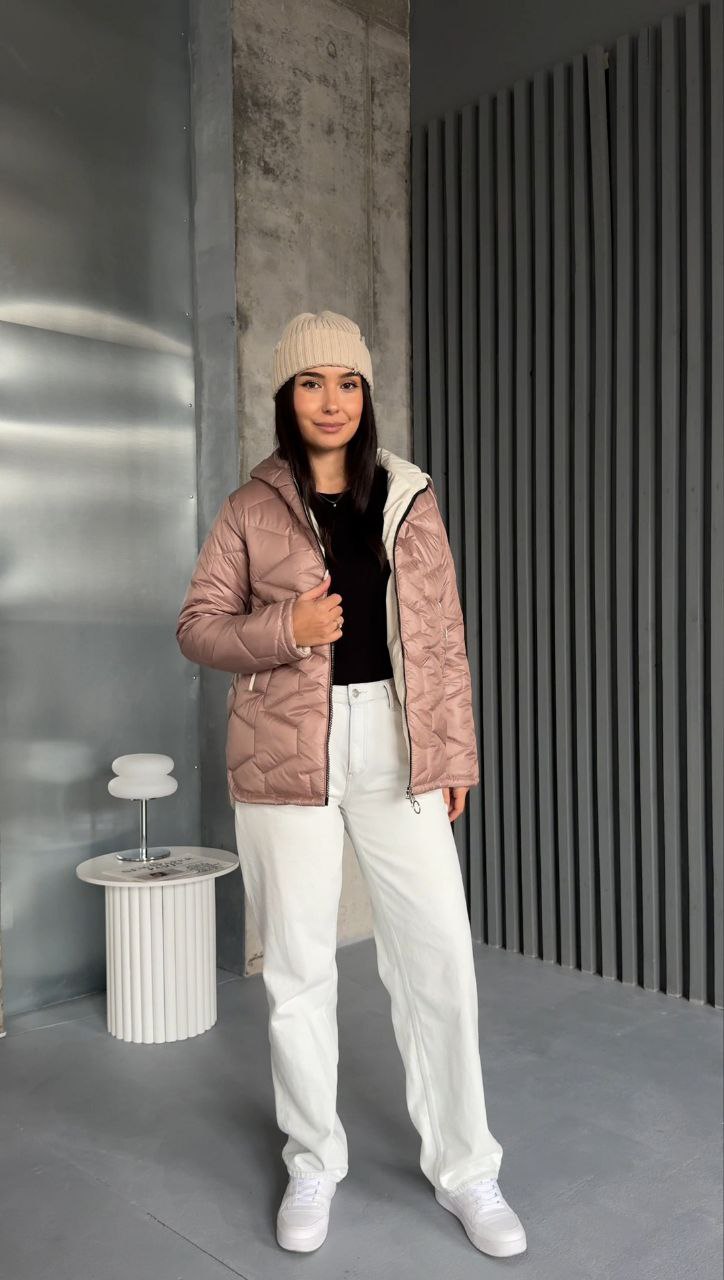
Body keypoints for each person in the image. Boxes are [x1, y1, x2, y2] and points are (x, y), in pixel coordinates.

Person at [176, 310, 527, 1259]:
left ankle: (467, 1169)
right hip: (286, 751)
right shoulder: (253, 506)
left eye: (347, 383)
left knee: (439, 956)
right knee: (297, 965)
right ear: (285, 398)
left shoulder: (409, 495)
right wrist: (287, 629)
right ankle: (312, 1160)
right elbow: (199, 626)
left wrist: (453, 754)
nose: (330, 401)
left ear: (365, 395)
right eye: (309, 383)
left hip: (398, 745)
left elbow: (443, 640)